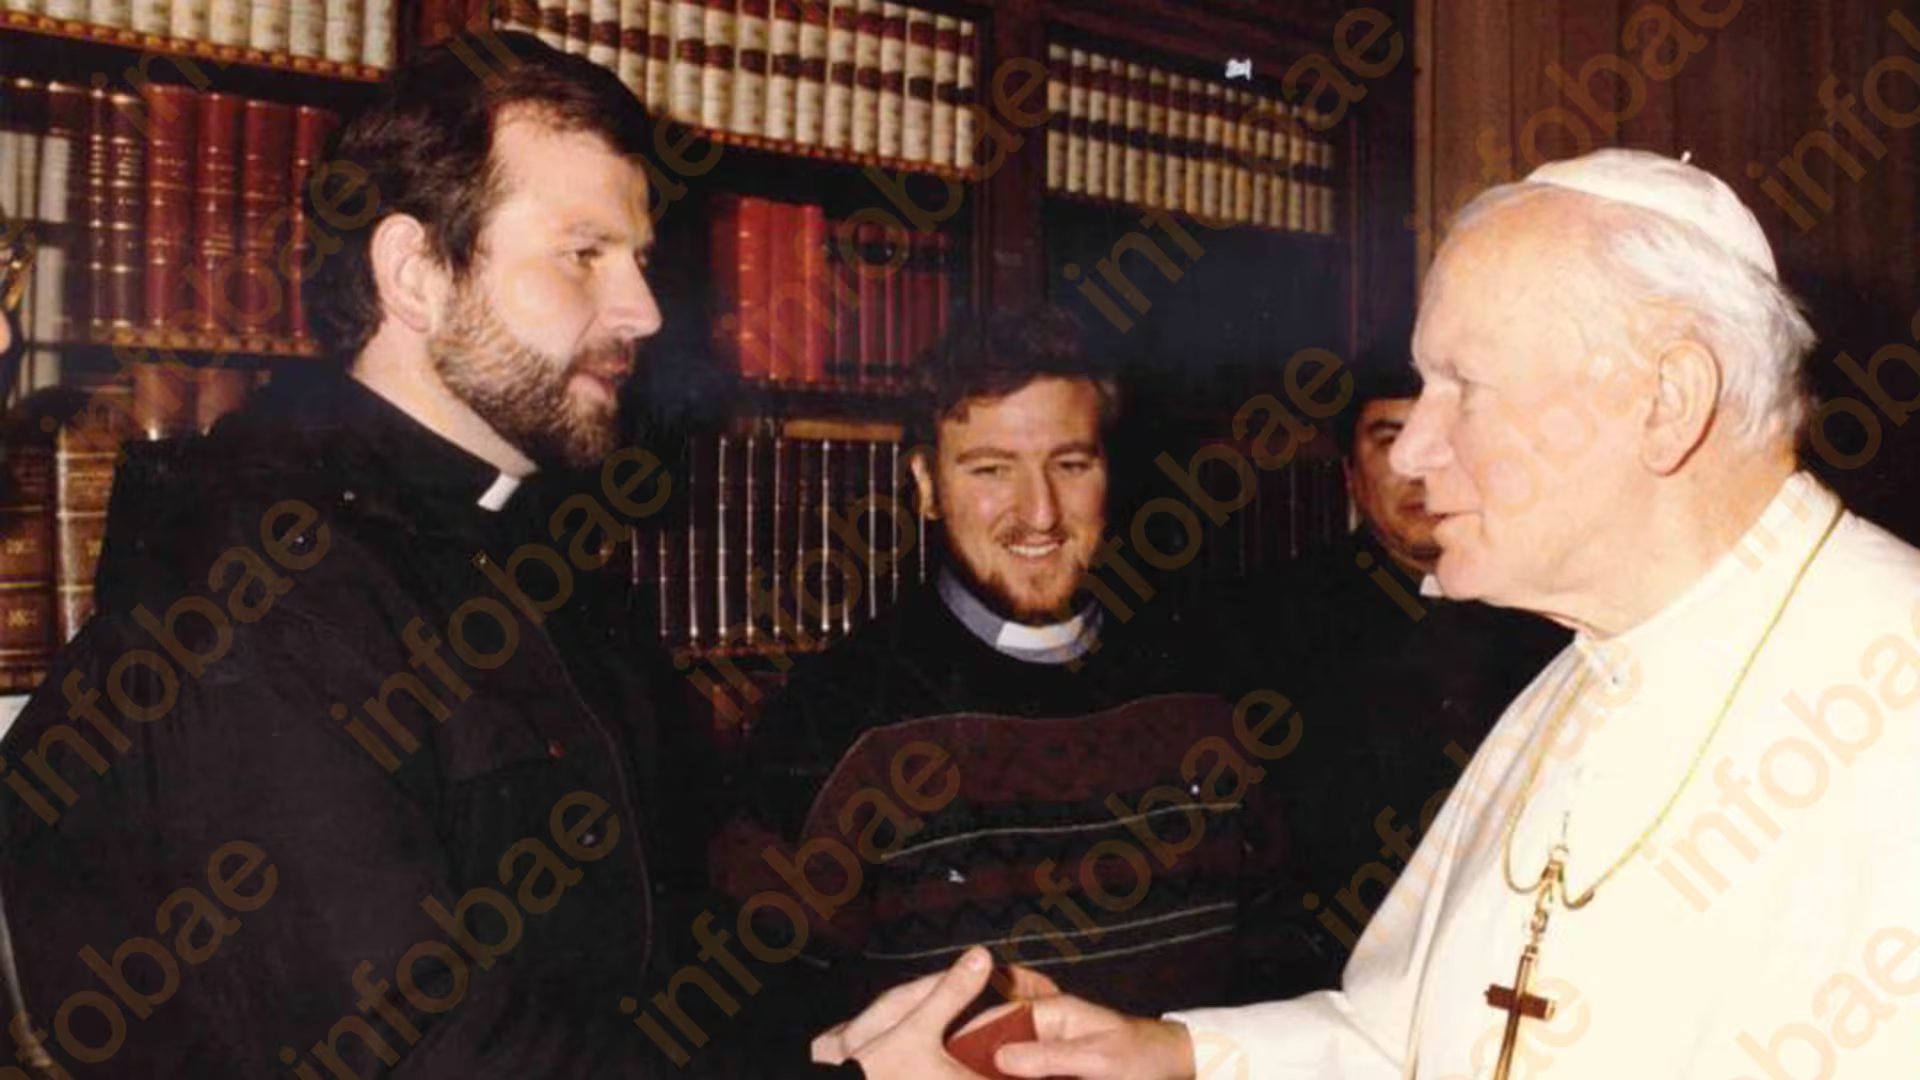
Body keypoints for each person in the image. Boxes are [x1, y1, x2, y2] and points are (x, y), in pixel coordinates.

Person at [818, 149, 1920, 1078]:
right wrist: (1174, 1052)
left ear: (1666, 402)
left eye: (1463, 388)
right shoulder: (1580, 671)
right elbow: (1409, 1036)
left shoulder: (1892, 689)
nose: (1417, 451)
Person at [0, 32, 701, 1077]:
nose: (642, 311)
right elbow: (412, 1056)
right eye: (583, 253)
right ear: (416, 275)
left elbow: (674, 963)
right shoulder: (252, 583)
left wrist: (880, 1027)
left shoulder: (541, 556)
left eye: (638, 259)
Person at [719, 307, 1262, 1047]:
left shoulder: (1214, 688)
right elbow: (754, 1024)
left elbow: (1287, 962)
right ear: (926, 484)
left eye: (1071, 465)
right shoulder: (830, 722)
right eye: (991, 469)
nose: (1038, 513)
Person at [1215, 363, 1566, 996]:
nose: (1419, 465)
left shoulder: (1556, 618)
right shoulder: (1265, 623)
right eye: (1387, 438)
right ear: (1351, 472)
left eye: (1447, 437)